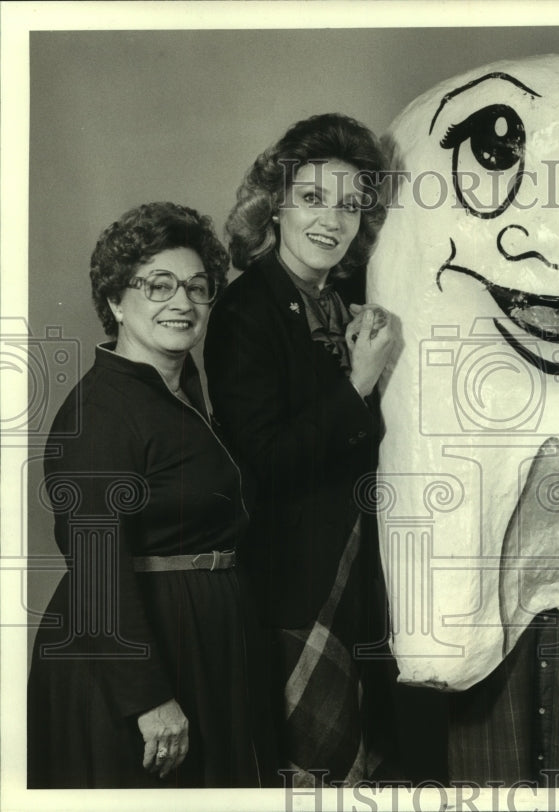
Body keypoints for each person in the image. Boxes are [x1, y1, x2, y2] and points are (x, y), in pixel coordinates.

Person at [28, 201, 276, 788]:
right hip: (133, 669)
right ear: (116, 300)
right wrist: (148, 701)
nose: (182, 302)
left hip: (201, 638)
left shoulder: (181, 395)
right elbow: (94, 573)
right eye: (159, 285)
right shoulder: (100, 412)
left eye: (197, 287)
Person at [203, 113, 399, 785]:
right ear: (275, 206)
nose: (331, 220)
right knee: (311, 776)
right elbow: (266, 461)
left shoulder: (347, 298)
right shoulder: (245, 310)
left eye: (349, 205)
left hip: (358, 577)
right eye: (312, 198)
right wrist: (360, 382)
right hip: (292, 584)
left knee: (370, 767)